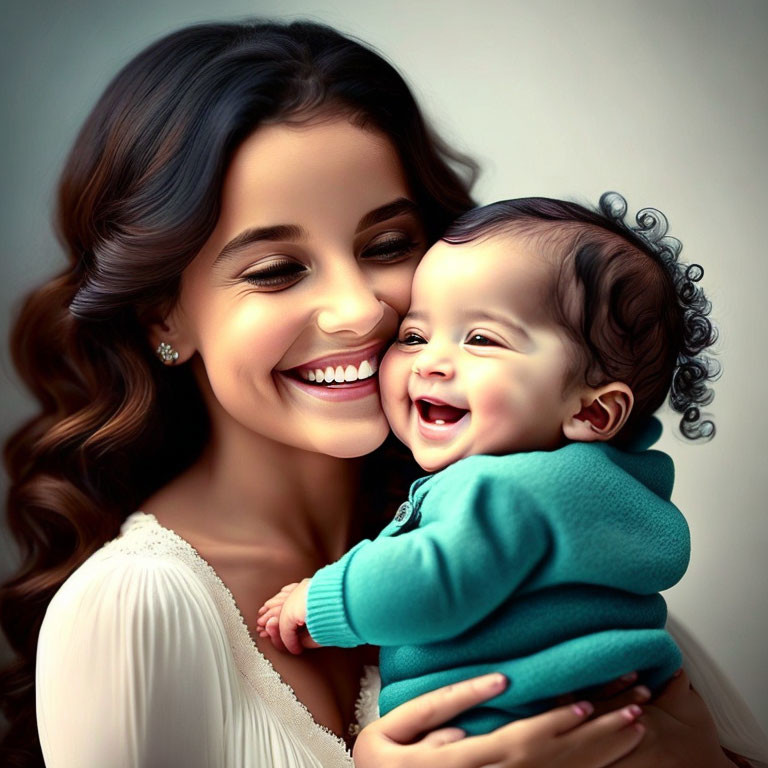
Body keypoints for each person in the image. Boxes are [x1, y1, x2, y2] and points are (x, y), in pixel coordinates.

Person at [0, 17, 763, 768]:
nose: (362, 310)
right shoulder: (133, 613)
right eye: (275, 269)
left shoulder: (541, 524)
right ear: (162, 313)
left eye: (388, 245)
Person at [256, 192, 713, 734]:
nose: (431, 361)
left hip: (502, 730)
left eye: (480, 339)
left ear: (592, 409)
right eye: (414, 335)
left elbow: (436, 577)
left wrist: (324, 599)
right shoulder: (603, 495)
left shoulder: (509, 490)